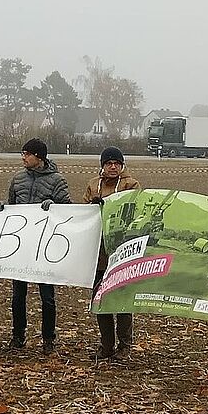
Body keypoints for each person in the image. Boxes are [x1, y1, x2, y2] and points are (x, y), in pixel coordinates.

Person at [2, 138, 71, 353]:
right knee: (18, 294)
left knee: (47, 296)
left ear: (38, 157)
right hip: (22, 245)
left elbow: (68, 210)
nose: (23, 158)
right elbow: (12, 207)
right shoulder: (18, 179)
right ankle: (18, 336)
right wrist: (1, 208)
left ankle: (49, 339)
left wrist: (55, 206)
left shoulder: (57, 180)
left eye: (27, 154)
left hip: (44, 246)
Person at [84, 147, 141, 360]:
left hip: (122, 252)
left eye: (117, 163)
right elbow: (85, 215)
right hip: (99, 254)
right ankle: (106, 345)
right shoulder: (92, 185)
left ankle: (124, 346)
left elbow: (135, 211)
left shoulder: (131, 185)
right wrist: (93, 206)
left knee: (123, 300)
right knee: (101, 300)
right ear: (102, 165)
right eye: (109, 163)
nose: (113, 167)